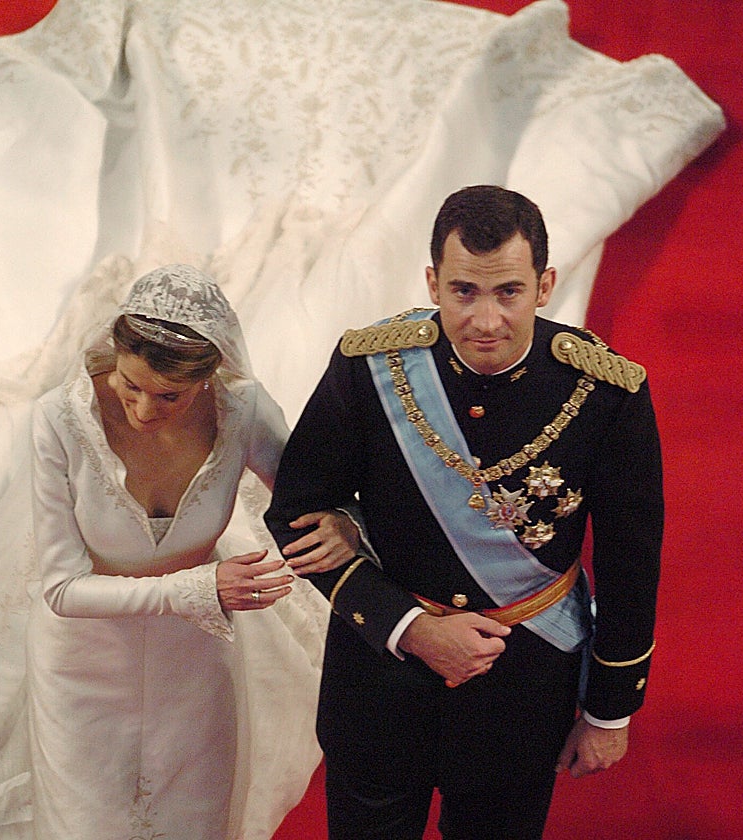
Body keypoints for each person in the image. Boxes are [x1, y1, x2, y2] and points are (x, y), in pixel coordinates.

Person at [265, 185, 663, 840]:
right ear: (432, 282)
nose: (485, 320)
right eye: (463, 292)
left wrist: (609, 711)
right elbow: (297, 511)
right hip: (379, 678)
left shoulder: (605, 393)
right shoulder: (371, 368)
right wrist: (409, 627)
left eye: (508, 291)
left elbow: (630, 561)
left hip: (523, 687)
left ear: (544, 284)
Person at [26, 263, 358, 839]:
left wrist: (347, 522)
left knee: (195, 821)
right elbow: (60, 588)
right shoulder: (57, 421)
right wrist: (202, 588)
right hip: (82, 665)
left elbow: (316, 497)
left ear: (208, 377)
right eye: (129, 385)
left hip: (196, 666)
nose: (144, 411)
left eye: (169, 395)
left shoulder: (243, 411)